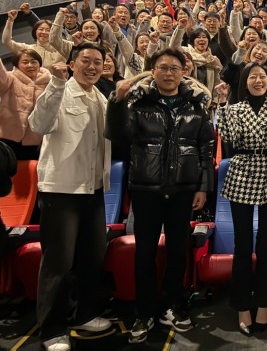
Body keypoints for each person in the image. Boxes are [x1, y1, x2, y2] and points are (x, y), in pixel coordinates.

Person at [106, 47, 215, 344]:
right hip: (146, 190)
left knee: (178, 252)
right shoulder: (138, 104)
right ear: (152, 71)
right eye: (163, 68)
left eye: (174, 68)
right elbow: (118, 136)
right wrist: (117, 102)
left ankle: (173, 305)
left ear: (184, 72)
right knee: (145, 253)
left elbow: (206, 149)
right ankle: (144, 312)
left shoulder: (196, 106)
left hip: (183, 190)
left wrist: (203, 187)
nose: (169, 73)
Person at [28, 43, 113, 351]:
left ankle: (85, 314)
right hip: (61, 190)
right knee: (58, 264)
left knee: (91, 257)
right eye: (85, 61)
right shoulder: (59, 91)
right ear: (72, 64)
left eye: (98, 62)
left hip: (93, 189)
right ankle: (52, 330)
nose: (92, 67)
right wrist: (55, 84)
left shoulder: (100, 98)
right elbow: (38, 125)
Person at [217, 64, 267, 336]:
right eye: (253, 77)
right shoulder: (235, 108)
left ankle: (263, 303)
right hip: (241, 169)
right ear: (245, 82)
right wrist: (223, 104)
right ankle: (241, 305)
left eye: (262, 76)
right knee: (242, 244)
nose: (258, 80)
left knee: (265, 244)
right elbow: (229, 137)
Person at [0, 49, 51, 160]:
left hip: (35, 140)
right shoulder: (10, 78)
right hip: (8, 138)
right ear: (17, 65)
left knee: (32, 169)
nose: (30, 65)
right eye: (25, 62)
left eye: (34, 62)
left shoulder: (49, 82)